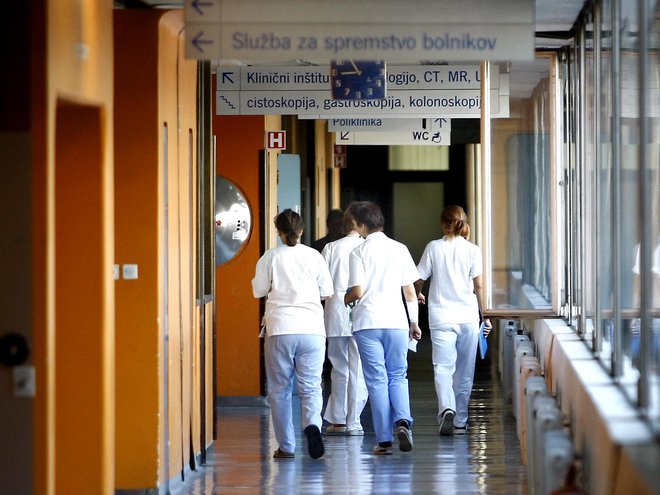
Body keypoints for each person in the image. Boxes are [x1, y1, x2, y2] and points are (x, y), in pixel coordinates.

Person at [252, 209, 334, 459]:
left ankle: (286, 446)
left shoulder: (270, 257)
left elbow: (258, 291)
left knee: (280, 390)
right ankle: (312, 426)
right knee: (311, 386)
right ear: (302, 230)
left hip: (280, 329)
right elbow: (327, 291)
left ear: (278, 232)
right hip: (311, 328)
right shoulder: (314, 256)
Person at [344, 201, 421, 455]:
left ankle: (384, 440)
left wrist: (345, 299)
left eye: (356, 223)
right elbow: (409, 290)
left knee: (376, 380)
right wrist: (414, 322)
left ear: (363, 225)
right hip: (396, 322)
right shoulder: (399, 249)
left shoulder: (358, 251)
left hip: (367, 323)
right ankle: (402, 421)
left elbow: (358, 290)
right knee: (398, 375)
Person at [415, 205, 492, 436]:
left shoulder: (433, 247)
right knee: (465, 371)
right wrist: (485, 316)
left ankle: (446, 407)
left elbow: (419, 278)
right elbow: (479, 286)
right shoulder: (473, 250)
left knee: (442, 368)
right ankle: (460, 420)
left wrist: (419, 292)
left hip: (440, 317)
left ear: (442, 224)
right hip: (467, 317)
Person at [321, 210, 368, 436]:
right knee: (357, 368)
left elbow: (322, 286)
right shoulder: (366, 247)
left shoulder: (330, 248)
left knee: (339, 369)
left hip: (335, 312)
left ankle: (338, 420)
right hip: (362, 312)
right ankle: (354, 420)